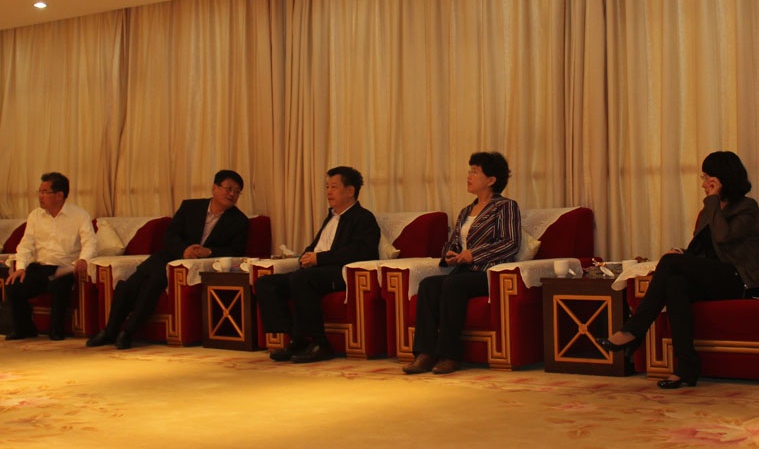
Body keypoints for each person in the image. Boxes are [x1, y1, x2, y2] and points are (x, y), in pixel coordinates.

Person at [599, 151, 759, 388]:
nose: (703, 184)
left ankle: (634, 330)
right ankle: (686, 367)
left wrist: (713, 201)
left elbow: (724, 236)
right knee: (674, 283)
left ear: (722, 179)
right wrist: (683, 254)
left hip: (740, 280)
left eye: (707, 178)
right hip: (716, 278)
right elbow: (702, 250)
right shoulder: (709, 211)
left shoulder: (747, 207)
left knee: (670, 264)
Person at [86, 170, 249, 349]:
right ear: (214, 188)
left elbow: (236, 251)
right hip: (170, 255)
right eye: (229, 188)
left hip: (193, 266)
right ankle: (109, 331)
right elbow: (170, 235)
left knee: (153, 283)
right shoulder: (190, 207)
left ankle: (128, 332)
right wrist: (184, 250)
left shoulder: (239, 220)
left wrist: (208, 252)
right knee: (131, 283)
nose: (232, 194)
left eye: (237, 191)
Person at [403, 151, 521, 375]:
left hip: (489, 273)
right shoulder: (466, 211)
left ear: (491, 180)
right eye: (470, 171)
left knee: (453, 284)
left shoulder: (506, 207)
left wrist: (474, 254)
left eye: (474, 172)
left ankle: (450, 355)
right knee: (428, 285)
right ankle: (424, 354)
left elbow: (510, 242)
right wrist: (449, 254)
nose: (468, 176)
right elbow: (454, 242)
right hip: (463, 272)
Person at [255, 166, 380, 363]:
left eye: (334, 187)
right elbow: (316, 246)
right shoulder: (330, 217)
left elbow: (359, 252)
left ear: (350, 190)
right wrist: (305, 258)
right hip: (316, 273)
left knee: (301, 279)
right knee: (266, 283)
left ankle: (320, 343)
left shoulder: (364, 218)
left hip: (341, 273)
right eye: (327, 187)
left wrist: (319, 259)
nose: (329, 192)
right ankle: (296, 338)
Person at [6, 172, 97, 341]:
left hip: (63, 268)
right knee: (13, 285)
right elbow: (26, 245)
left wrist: (83, 259)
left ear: (59, 195)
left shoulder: (79, 215)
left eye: (45, 192)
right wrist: (20, 268)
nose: (40, 196)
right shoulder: (35, 216)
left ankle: (56, 330)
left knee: (60, 286)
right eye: (39, 192)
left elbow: (90, 242)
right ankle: (25, 329)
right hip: (39, 268)